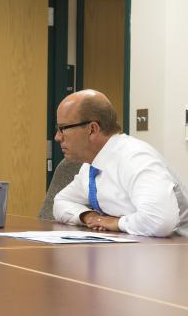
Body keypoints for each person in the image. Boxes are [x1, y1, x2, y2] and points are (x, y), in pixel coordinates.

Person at [53, 89, 188, 237]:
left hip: (176, 249)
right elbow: (61, 201)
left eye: (63, 128)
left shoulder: (135, 158)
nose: (57, 137)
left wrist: (117, 223)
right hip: (135, 247)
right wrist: (88, 216)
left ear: (92, 129)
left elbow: (161, 221)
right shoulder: (91, 166)